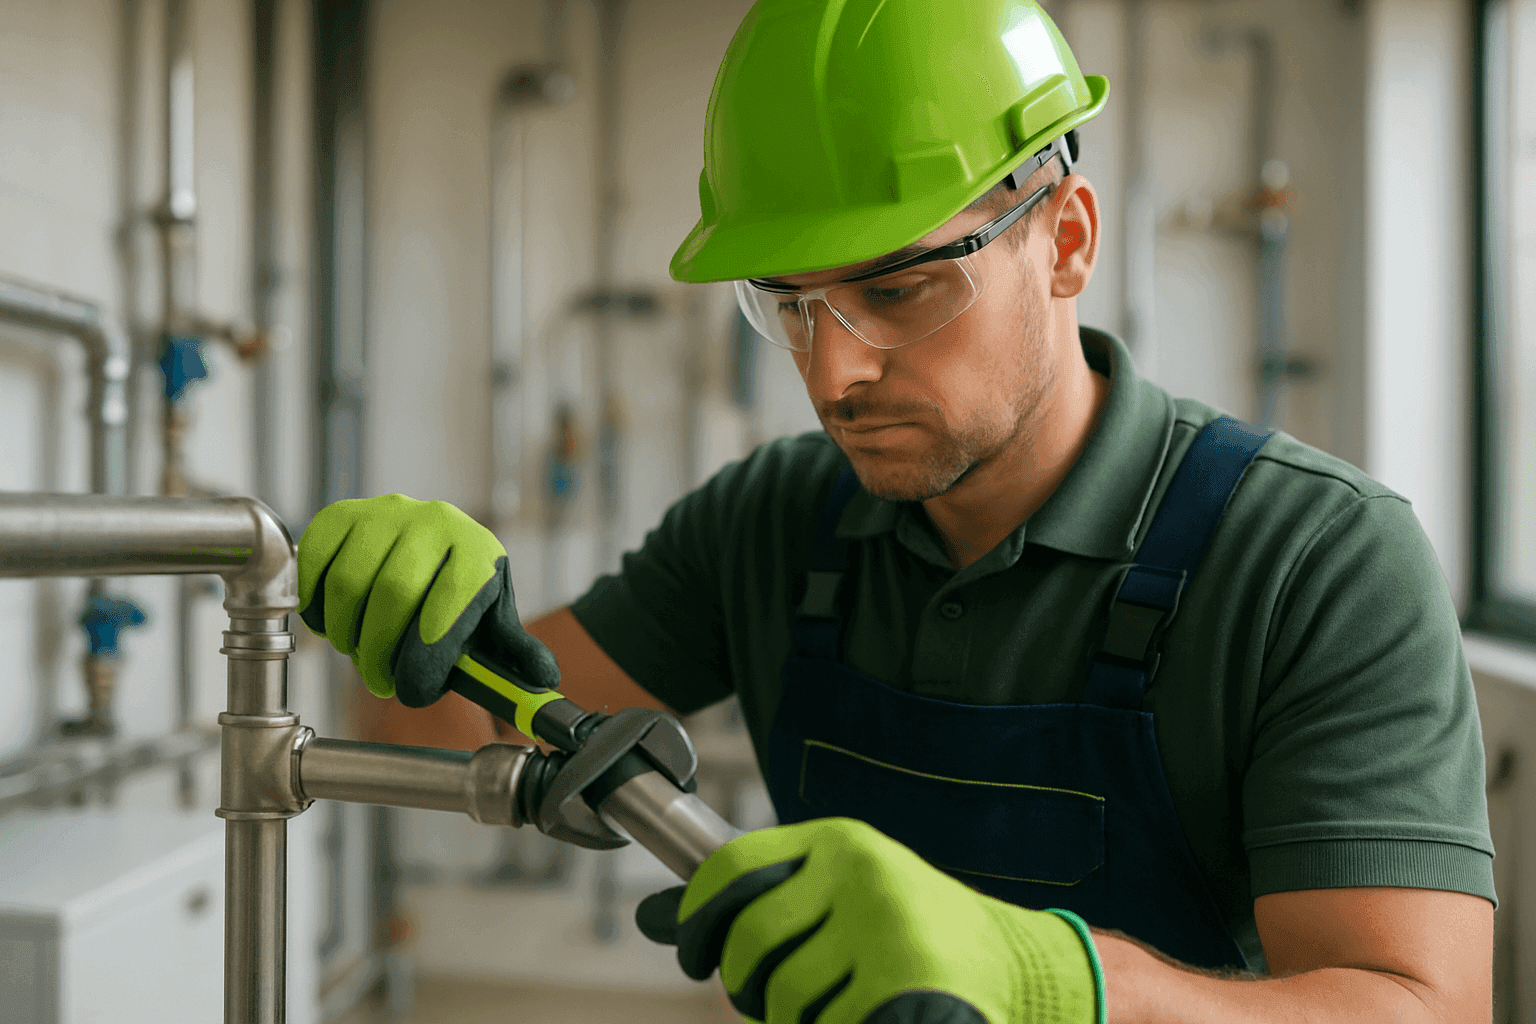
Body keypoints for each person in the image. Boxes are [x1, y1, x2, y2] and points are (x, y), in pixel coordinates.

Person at [297, 1, 1495, 1021]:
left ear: (1064, 240)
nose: (834, 376)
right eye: (793, 306)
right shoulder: (772, 521)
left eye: (898, 288)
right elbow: (448, 725)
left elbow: (1419, 1004)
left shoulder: (1313, 560)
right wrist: (435, 615)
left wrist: (1054, 982)